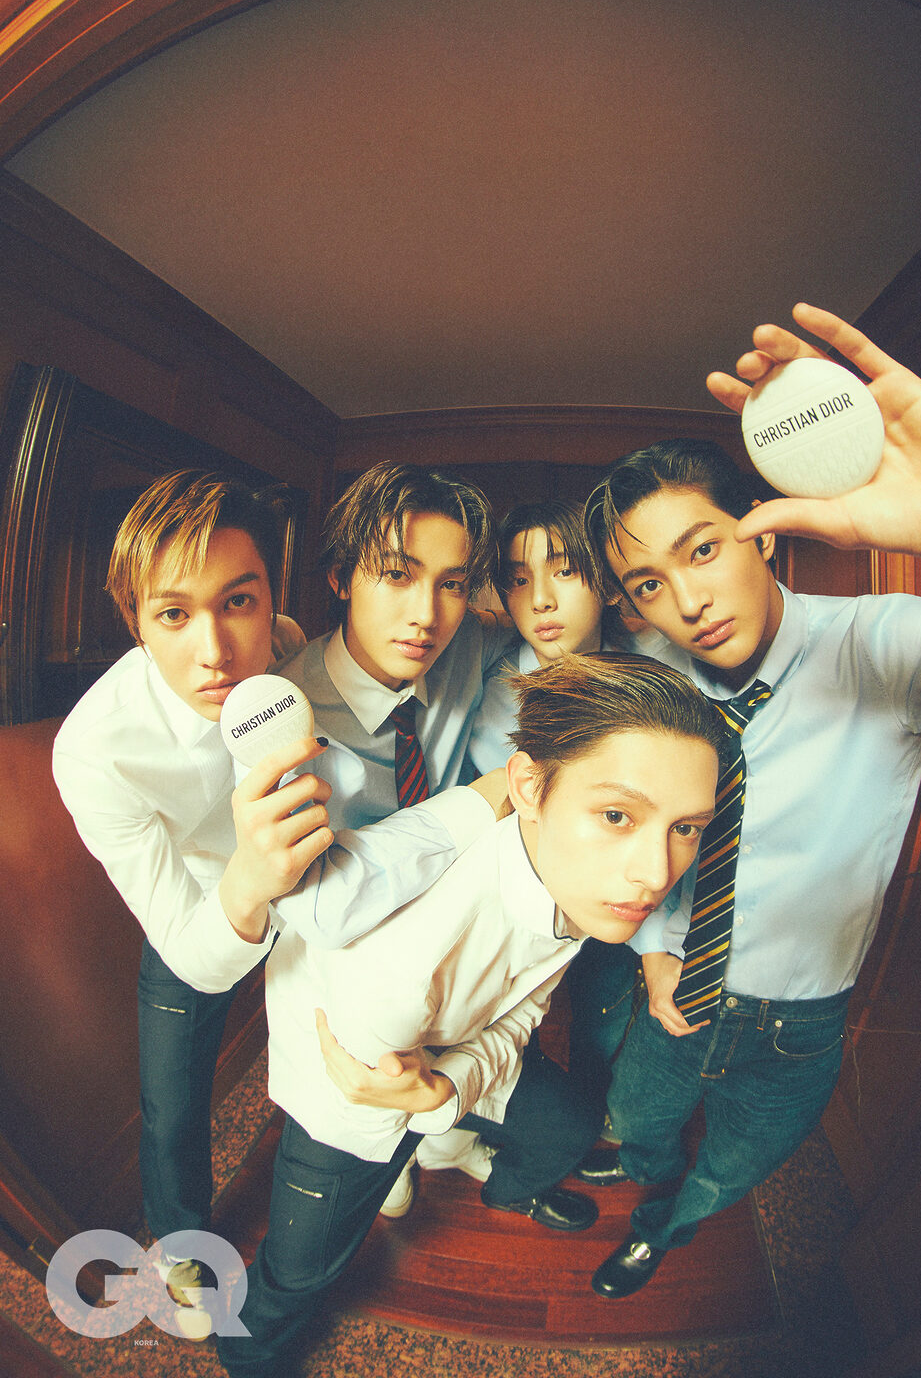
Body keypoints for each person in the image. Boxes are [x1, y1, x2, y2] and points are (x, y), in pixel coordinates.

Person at [577, 303, 921, 1298]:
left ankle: (670, 1228)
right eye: (647, 584)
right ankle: (645, 1181)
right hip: (674, 990)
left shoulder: (881, 646)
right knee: (638, 1120)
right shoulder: (654, 682)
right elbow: (640, 837)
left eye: (702, 549)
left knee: (734, 1164)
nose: (686, 601)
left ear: (764, 534)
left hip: (799, 1020)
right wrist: (654, 946)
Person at [51, 469, 503, 1307]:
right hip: (202, 910)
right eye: (173, 614)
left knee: (345, 1042)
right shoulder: (94, 752)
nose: (216, 651)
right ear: (134, 618)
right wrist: (250, 882)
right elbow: (192, 951)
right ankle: (182, 1249)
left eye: (239, 602)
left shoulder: (289, 651)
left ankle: (383, 1156)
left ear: (272, 598)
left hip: (317, 889)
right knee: (174, 1099)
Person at [214, 652, 727, 1378]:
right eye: (617, 815)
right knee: (302, 1269)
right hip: (350, 1099)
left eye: (686, 827)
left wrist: (449, 1088)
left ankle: (490, 1176)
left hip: (451, 1047)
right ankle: (247, 1353)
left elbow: (523, 1014)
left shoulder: (576, 870)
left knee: (568, 1123)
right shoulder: (401, 965)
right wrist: (422, 1109)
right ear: (530, 788)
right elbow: (375, 1095)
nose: (656, 873)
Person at [276, 460, 514, 1210]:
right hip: (343, 972)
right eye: (397, 575)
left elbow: (541, 631)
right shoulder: (284, 717)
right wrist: (478, 801)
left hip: (445, 936)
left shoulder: (466, 645)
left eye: (451, 584)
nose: (426, 616)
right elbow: (323, 905)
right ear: (341, 576)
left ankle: (445, 1140)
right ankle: (392, 1153)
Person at [467, 499, 640, 1106]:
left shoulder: (648, 671)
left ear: (605, 581)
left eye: (564, 571)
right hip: (514, 900)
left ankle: (595, 1105)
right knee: (503, 1027)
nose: (540, 599)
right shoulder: (488, 684)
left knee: (603, 1010)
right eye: (518, 580)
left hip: (617, 898)